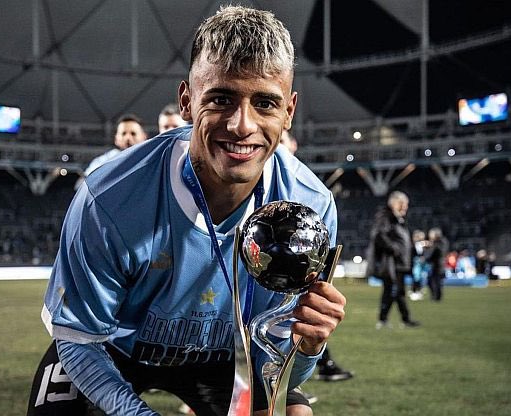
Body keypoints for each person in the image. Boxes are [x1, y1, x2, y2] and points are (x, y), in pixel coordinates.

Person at [27, 6, 346, 416]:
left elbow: (280, 374)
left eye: (265, 103)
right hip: (113, 349)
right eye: (221, 99)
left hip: (226, 357)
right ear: (187, 101)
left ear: (289, 112)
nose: (242, 125)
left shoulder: (310, 211)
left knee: (292, 413)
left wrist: (309, 346)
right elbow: (80, 341)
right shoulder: (109, 198)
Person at [280, 130, 354, 383]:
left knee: (313, 311)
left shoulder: (314, 196)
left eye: (282, 142)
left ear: (293, 145)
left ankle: (314, 364)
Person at [366, 191, 420, 329]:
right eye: (404, 204)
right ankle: (385, 320)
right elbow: (379, 235)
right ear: (395, 203)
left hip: (398, 263)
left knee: (397, 291)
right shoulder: (386, 217)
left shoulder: (398, 220)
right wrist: (394, 249)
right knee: (392, 291)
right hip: (391, 263)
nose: (406, 207)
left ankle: (402, 319)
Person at [74, 113, 147, 190]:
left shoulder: (152, 160)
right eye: (123, 134)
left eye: (133, 134)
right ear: (116, 138)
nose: (128, 138)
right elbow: (81, 185)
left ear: (144, 136)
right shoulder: (103, 161)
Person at [426, 227, 449, 301]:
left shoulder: (440, 242)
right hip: (436, 264)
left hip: (438, 265)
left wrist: (430, 246)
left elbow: (436, 253)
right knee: (433, 281)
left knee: (436, 281)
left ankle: (437, 296)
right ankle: (436, 296)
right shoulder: (440, 242)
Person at [409, 229, 429, 301]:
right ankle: (414, 291)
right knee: (416, 277)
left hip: (421, 263)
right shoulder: (412, 244)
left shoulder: (422, 244)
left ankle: (418, 291)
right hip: (415, 263)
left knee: (420, 277)